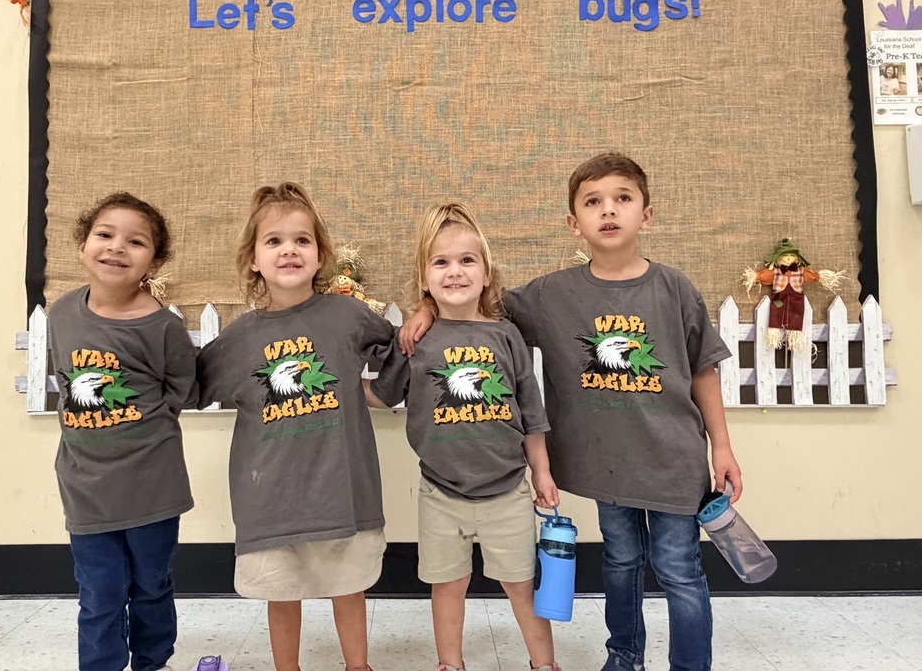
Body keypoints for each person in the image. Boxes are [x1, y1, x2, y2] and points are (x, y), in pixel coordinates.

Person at [401, 154, 742, 671]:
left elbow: (703, 371)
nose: (609, 211)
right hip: (604, 464)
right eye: (593, 202)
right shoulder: (551, 295)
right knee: (621, 564)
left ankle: (690, 666)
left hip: (674, 463)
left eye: (622, 199)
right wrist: (426, 306)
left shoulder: (674, 289)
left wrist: (723, 446)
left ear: (646, 214)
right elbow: (473, 306)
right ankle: (624, 656)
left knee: (679, 569)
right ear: (573, 223)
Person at [196, 182, 396, 671]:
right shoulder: (240, 337)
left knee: (348, 587)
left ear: (320, 254)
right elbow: (189, 386)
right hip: (272, 502)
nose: (289, 249)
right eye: (274, 241)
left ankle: (358, 665)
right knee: (281, 594)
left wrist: (378, 393)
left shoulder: (348, 315)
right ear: (253, 260)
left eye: (302, 240)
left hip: (344, 494)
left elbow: (401, 352)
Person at [365, 203, 562, 671]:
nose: (455, 271)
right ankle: (449, 664)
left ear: (487, 271)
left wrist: (544, 473)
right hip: (440, 491)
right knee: (448, 585)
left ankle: (544, 664)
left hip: (508, 488)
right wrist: (337, 384)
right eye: (441, 262)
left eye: (466, 260)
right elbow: (383, 394)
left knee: (520, 586)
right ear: (425, 277)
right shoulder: (413, 339)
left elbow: (530, 412)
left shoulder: (507, 336)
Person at [48, 192, 197, 671]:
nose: (116, 248)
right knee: (99, 591)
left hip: (153, 485)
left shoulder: (163, 327)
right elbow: (64, 380)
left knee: (151, 583)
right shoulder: (62, 313)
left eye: (135, 242)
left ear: (154, 262)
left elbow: (179, 391)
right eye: (105, 235)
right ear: (83, 243)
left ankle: (153, 661)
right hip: (85, 486)